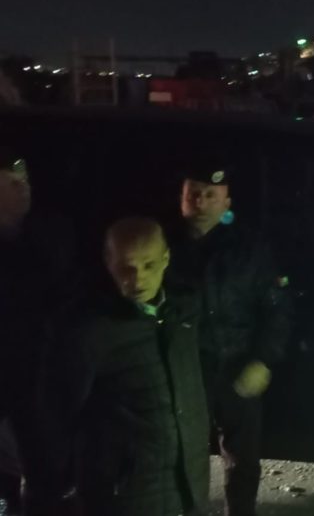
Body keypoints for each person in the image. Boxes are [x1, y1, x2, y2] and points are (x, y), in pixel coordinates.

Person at [44, 217, 209, 516]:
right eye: (126, 268)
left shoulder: (184, 313)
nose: (138, 279)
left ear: (166, 259)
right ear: (108, 262)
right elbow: (55, 416)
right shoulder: (90, 331)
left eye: (148, 265)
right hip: (124, 497)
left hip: (189, 489)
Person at [168, 162, 291, 516]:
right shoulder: (164, 244)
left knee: (242, 459)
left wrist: (263, 360)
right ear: (182, 199)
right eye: (194, 194)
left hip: (236, 364)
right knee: (184, 455)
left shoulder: (248, 248)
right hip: (185, 369)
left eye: (211, 195)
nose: (201, 202)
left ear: (227, 203)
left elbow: (277, 307)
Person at [0, 148, 76, 513]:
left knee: (45, 477)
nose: (24, 188)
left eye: (26, 180)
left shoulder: (52, 232)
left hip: (41, 379)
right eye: (13, 182)